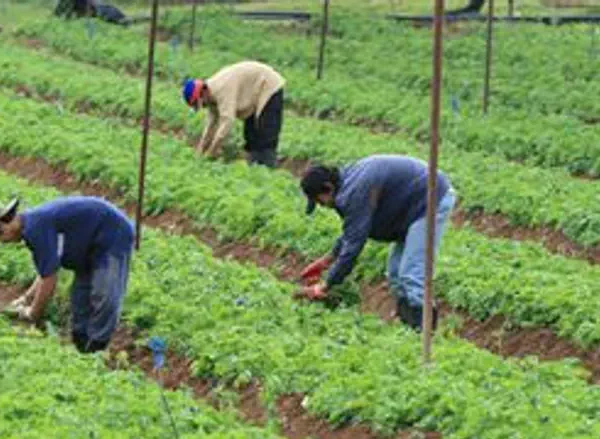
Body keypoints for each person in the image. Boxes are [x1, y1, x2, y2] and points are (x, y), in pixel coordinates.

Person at [298, 155, 456, 331]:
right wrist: (327, 260)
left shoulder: (354, 192)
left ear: (328, 188)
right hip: (408, 209)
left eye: (320, 200)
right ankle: (408, 330)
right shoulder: (346, 182)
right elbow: (352, 232)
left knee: (412, 275)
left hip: (430, 200)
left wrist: (326, 285)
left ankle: (425, 335)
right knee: (396, 275)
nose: (322, 206)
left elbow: (353, 247)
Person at [0, 196, 134, 353]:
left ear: (0, 227)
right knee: (80, 299)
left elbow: (49, 280)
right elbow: (46, 270)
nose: (4, 243)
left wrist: (33, 314)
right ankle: (81, 346)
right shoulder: (31, 227)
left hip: (112, 234)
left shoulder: (35, 228)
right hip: (86, 246)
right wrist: (26, 298)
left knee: (104, 293)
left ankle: (97, 347)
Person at [182, 61, 286, 168]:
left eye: (200, 103)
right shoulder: (210, 96)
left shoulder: (221, 88)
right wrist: (200, 150)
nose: (203, 106)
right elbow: (211, 125)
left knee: (266, 133)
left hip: (268, 85)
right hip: (252, 92)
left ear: (202, 93)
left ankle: (267, 168)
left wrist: (211, 151)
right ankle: (254, 168)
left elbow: (227, 122)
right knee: (250, 136)